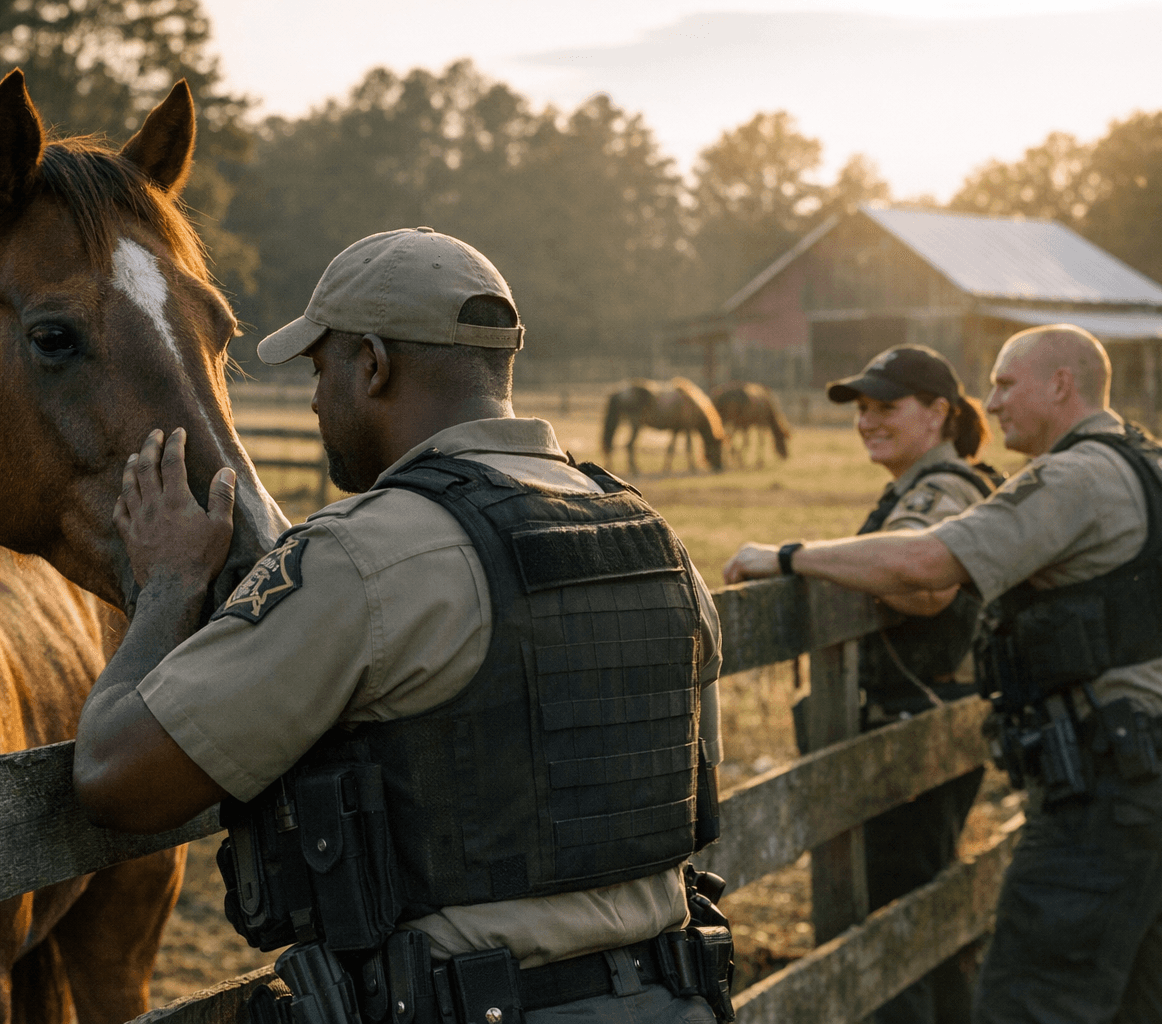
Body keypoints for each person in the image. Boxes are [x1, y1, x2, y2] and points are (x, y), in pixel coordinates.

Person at [72, 227, 734, 1024]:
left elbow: (116, 775)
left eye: (321, 369)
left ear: (373, 366)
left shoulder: (362, 556)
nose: (316, 400)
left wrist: (169, 587)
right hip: (677, 998)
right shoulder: (655, 543)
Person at [724, 324, 1162, 1024]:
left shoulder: (1075, 475)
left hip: (1115, 792)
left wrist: (787, 556)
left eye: (1005, 383)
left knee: (1031, 1000)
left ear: (1062, 384)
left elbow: (925, 566)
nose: (991, 403)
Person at [795, 345, 1001, 1024]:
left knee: (892, 918)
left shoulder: (944, 489)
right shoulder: (923, 486)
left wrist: (791, 559)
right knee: (921, 907)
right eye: (861, 409)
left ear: (939, 412)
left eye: (886, 406)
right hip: (920, 721)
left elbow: (925, 586)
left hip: (914, 727)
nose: (866, 421)